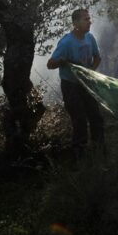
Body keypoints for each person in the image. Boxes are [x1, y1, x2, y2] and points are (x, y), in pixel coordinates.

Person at [47, 9, 104, 157]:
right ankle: (79, 155)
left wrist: (89, 72)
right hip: (71, 86)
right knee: (79, 121)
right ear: (75, 23)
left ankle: (99, 150)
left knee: (96, 117)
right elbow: (50, 64)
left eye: (89, 19)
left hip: (87, 84)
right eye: (86, 19)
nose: (89, 22)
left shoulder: (90, 38)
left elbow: (97, 57)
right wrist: (61, 61)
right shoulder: (66, 42)